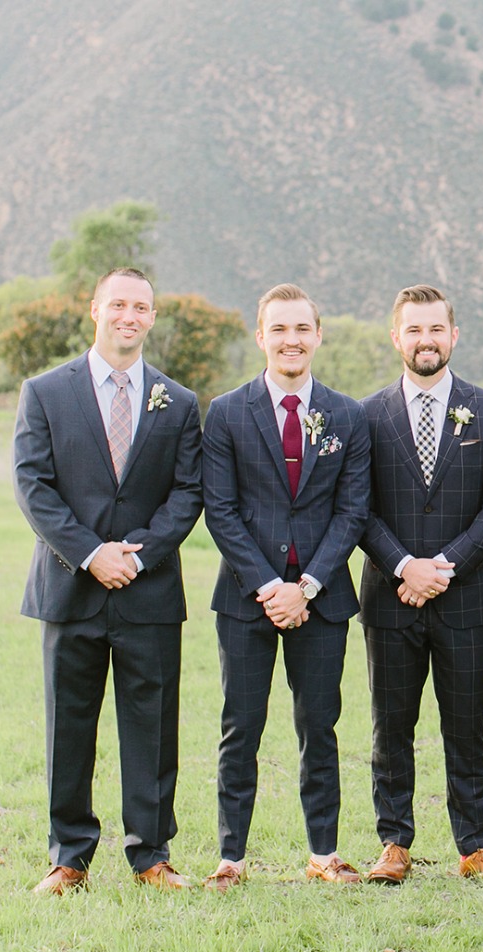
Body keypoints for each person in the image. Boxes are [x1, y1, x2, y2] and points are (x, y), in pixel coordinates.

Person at [13, 267, 203, 893]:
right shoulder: (44, 392)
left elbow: (187, 493)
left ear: (152, 316)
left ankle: (151, 855)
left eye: (141, 306)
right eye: (118, 303)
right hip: (72, 588)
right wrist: (92, 554)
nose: (129, 315)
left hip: (147, 591)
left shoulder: (178, 402)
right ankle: (69, 857)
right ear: (94, 309)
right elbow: (33, 486)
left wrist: (137, 556)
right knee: (70, 726)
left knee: (152, 727)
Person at [200, 284, 372, 889]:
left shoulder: (348, 415)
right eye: (279, 329)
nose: (291, 340)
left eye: (302, 329)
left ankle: (323, 853)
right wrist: (271, 586)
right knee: (239, 727)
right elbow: (219, 510)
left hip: (322, 604)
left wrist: (310, 585)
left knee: (318, 725)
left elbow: (353, 512)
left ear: (318, 335)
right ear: (261, 337)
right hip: (246, 601)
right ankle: (231, 858)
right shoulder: (225, 412)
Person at [358, 284, 483, 886]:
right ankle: (394, 842)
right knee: (389, 726)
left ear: (454, 335)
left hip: (469, 599)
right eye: (414, 330)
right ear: (396, 336)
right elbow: (358, 507)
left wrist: (441, 567)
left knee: (467, 727)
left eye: (436, 329)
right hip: (389, 597)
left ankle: (474, 846)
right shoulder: (367, 415)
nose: (425, 340)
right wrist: (406, 567)